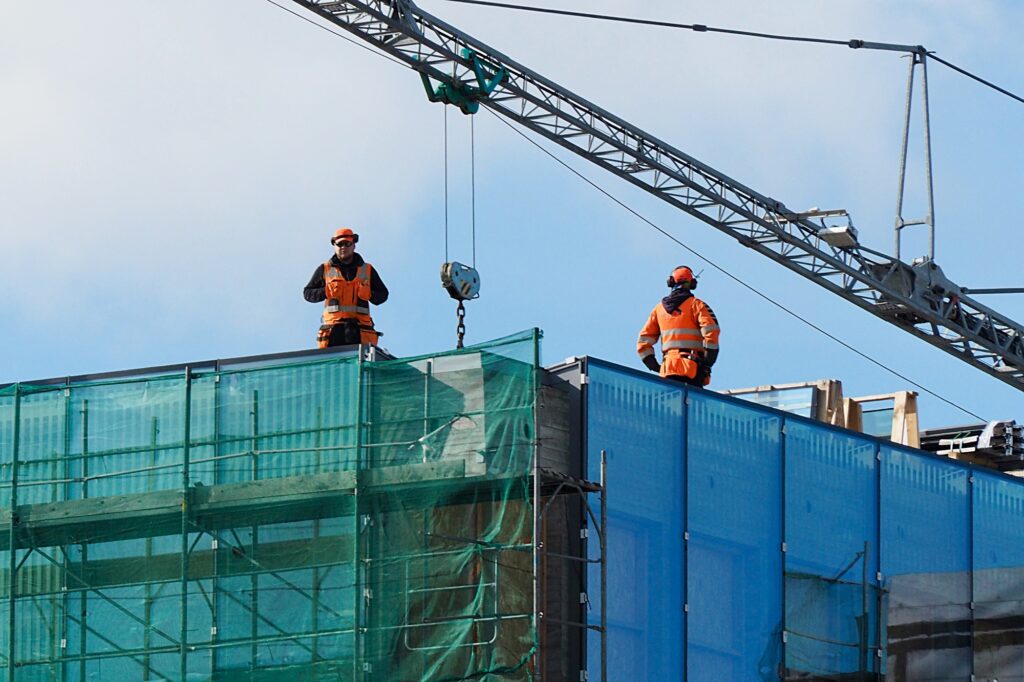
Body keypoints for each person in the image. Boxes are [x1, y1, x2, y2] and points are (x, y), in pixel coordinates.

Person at [303, 227, 389, 347]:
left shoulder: (367, 269)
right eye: (340, 244)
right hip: (333, 332)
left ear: (354, 245)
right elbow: (308, 293)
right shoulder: (325, 269)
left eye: (347, 243)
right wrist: (326, 291)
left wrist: (369, 294)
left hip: (360, 332)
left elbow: (383, 295)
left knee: (361, 363)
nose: (343, 247)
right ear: (334, 245)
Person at [636, 266, 720, 386]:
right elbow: (712, 333)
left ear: (670, 282)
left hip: (667, 369)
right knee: (692, 403)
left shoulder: (659, 310)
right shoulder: (697, 306)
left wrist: (655, 366)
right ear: (692, 283)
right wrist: (707, 363)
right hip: (692, 368)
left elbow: (643, 342)